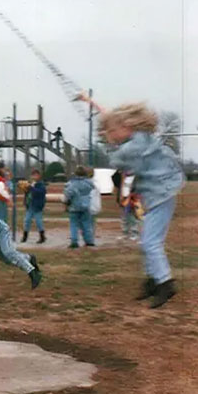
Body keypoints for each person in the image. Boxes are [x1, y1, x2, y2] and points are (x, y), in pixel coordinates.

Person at [77, 94, 184, 308]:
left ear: (125, 126)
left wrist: (109, 144)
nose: (109, 135)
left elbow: (117, 160)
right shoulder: (139, 135)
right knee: (149, 240)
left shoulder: (132, 148)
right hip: (161, 192)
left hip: (161, 195)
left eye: (111, 132)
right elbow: (113, 119)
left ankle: (165, 283)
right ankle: (152, 280)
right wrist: (90, 101)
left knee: (150, 242)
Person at [63, 166, 95, 248]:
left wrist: (66, 203)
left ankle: (74, 241)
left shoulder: (71, 184)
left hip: (74, 207)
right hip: (86, 206)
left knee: (74, 225)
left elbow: (68, 195)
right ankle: (89, 241)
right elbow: (93, 190)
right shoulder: (89, 183)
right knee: (87, 224)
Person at [21, 169, 46, 244]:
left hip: (37, 206)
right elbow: (27, 193)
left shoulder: (41, 185)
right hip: (30, 205)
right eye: (33, 175)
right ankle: (25, 236)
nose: (34, 177)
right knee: (27, 221)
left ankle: (42, 236)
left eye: (36, 175)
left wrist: (31, 188)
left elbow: (40, 193)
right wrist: (25, 189)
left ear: (39, 176)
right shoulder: (31, 183)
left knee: (38, 221)